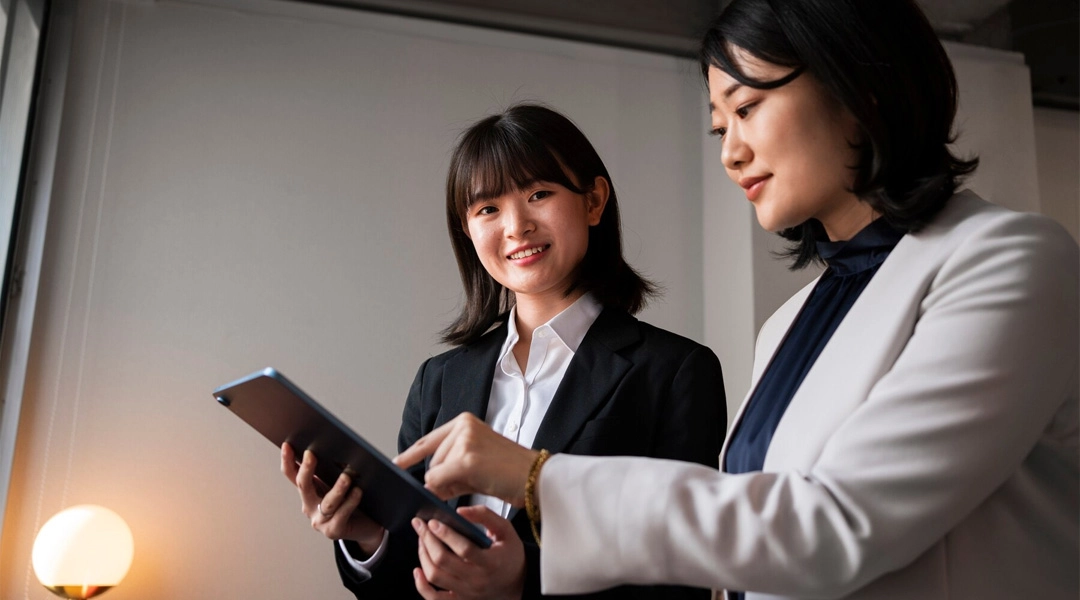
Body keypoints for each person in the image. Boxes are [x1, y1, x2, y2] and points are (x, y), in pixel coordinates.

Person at [393, 1, 1080, 599]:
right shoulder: (786, 324)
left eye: (747, 108)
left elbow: (834, 525)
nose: (731, 154)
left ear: (862, 86)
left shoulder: (1008, 260)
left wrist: (535, 477)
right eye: (722, 128)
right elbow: (744, 547)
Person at [280, 103, 727, 600]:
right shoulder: (440, 379)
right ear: (468, 230)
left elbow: (679, 574)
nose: (516, 226)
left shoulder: (675, 372)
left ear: (594, 200)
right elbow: (414, 571)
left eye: (539, 194)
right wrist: (367, 535)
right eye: (487, 209)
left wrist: (520, 586)